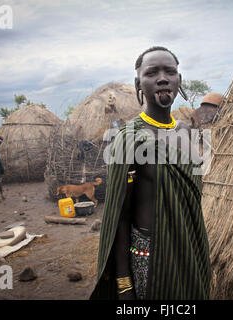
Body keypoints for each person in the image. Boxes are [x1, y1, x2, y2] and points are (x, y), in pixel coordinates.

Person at [90, 46, 210, 300]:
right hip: (152, 259)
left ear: (179, 81)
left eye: (171, 72)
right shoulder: (129, 139)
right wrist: (124, 284)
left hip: (191, 248)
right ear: (139, 84)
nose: (163, 78)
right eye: (152, 72)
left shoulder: (188, 133)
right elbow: (119, 215)